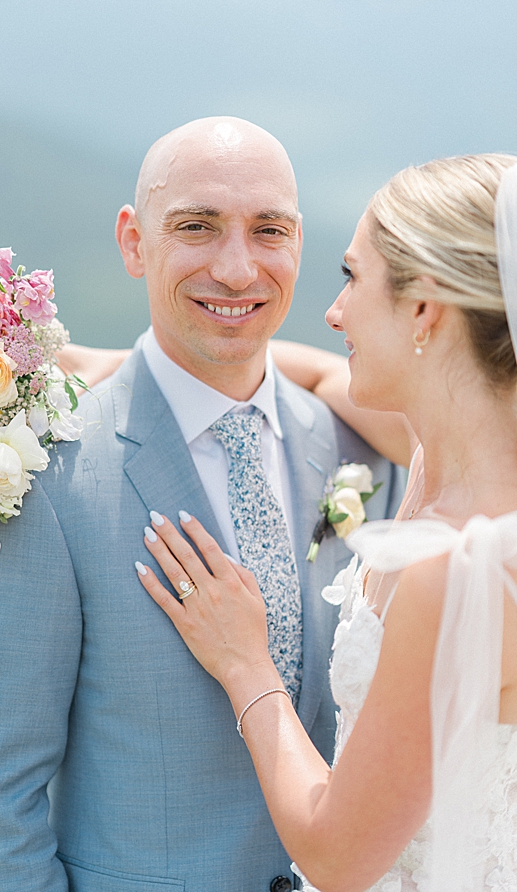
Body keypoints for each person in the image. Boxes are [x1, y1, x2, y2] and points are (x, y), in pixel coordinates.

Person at [0, 117, 405, 892]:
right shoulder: (35, 476)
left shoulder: (354, 447)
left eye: (269, 231)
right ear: (134, 241)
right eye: (197, 227)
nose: (236, 267)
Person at [139, 154, 517, 891]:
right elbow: (305, 371)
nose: (334, 311)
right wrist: (140, 364)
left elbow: (338, 856)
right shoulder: (433, 453)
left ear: (423, 309)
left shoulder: (461, 567)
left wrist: (245, 662)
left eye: (352, 277)